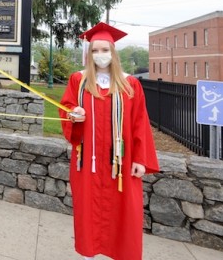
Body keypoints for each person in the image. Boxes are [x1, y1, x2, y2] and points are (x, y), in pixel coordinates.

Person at [58, 22, 159, 260]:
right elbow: (66, 108)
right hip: (88, 162)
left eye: (105, 50)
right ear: (89, 53)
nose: (100, 55)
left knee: (125, 212)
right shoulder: (79, 80)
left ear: (113, 53)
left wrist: (141, 159)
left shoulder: (129, 83)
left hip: (121, 163)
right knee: (88, 210)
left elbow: (140, 123)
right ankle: (88, 254)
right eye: (95, 50)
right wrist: (74, 114)